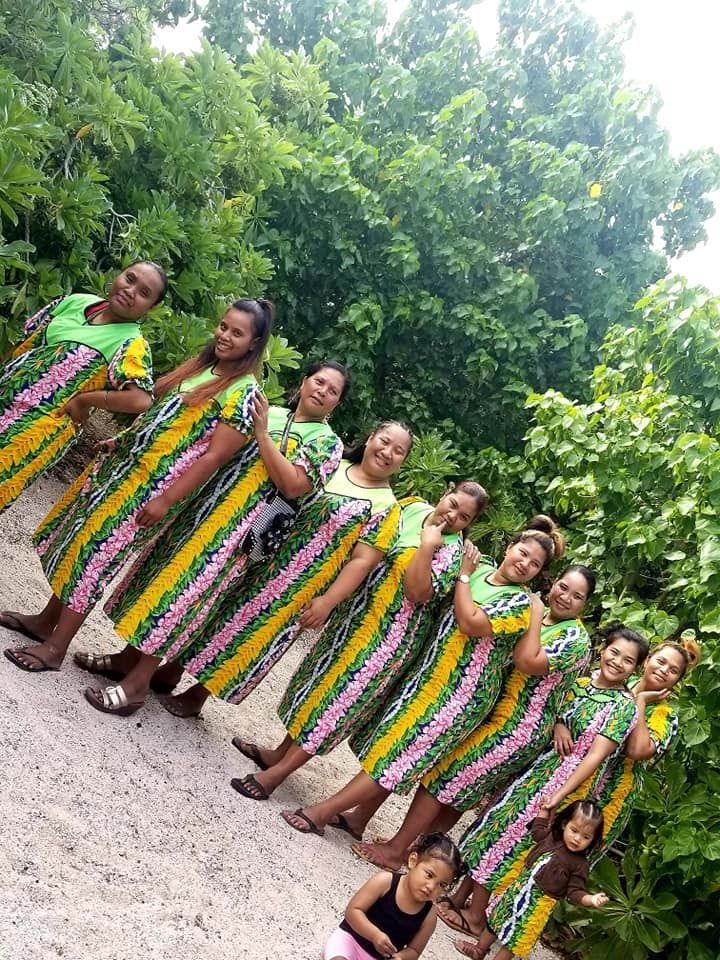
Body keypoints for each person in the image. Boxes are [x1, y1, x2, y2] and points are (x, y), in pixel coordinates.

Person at [2, 299, 272, 674]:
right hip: (127, 470)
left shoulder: (243, 393)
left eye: (237, 333)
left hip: (153, 487)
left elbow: (213, 457)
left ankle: (56, 647)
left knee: (98, 557)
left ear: (254, 343)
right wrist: (122, 441)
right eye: (224, 326)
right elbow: (160, 419)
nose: (224, 336)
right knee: (82, 543)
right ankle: (46, 621)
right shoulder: (204, 368)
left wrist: (166, 500)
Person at [78, 360, 349, 715]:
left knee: (182, 597)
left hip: (238, 532)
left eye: (332, 391)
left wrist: (262, 434)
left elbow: (293, 485)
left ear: (337, 403)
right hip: (206, 510)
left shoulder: (328, 443)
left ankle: (138, 684)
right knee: (163, 582)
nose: (322, 391)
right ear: (304, 381)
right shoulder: (272, 412)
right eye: (319, 381)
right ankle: (127, 659)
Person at [287, 516, 564, 848]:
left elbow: (470, 622)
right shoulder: (480, 570)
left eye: (535, 564)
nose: (525, 564)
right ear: (510, 547)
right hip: (429, 677)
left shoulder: (518, 602)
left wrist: (463, 575)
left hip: (461, 694)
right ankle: (357, 819)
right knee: (392, 747)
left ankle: (321, 813)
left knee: (400, 755)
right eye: (523, 553)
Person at [230, 482, 488, 818]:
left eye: (463, 517)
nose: (452, 516)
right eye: (452, 504)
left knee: (337, 705)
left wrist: (427, 546)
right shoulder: (412, 508)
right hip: (354, 620)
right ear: (445, 493)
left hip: (388, 639)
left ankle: (277, 774)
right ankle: (279, 753)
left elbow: (416, 592)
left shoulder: (452, 552)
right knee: (320, 689)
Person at [153, 421, 414, 718]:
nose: (387, 452)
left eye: (398, 451)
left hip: (299, 582)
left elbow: (362, 561)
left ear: (402, 462)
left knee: (251, 633)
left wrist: (328, 601)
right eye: (385, 441)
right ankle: (173, 669)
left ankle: (198, 694)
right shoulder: (332, 464)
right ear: (370, 438)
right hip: (262, 551)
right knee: (217, 611)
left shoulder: (387, 507)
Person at [353, 565, 595, 872]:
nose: (566, 597)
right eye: (564, 587)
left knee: (447, 778)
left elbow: (527, 662)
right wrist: (560, 719)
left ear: (585, 604)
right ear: (554, 583)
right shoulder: (540, 614)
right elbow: (564, 685)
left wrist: (535, 613)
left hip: (518, 727)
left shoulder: (574, 638)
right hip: (493, 712)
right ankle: (420, 852)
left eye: (577, 596)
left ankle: (397, 851)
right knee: (457, 784)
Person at [448, 622, 646, 939]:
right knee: (498, 825)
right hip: (541, 770)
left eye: (628, 660)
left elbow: (595, 756)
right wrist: (559, 724)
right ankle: (460, 897)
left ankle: (477, 916)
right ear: (603, 649)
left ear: (635, 669)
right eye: (615, 652)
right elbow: (553, 710)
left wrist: (559, 794)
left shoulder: (623, 707)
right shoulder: (581, 684)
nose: (618, 662)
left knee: (519, 842)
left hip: (570, 783)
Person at [0, 260, 166, 516]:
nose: (130, 291)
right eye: (130, 279)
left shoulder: (131, 344)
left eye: (144, 293)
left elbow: (140, 399)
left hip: (35, 429)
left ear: (151, 307)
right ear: (119, 275)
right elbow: (25, 340)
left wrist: (84, 400)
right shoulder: (76, 302)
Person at [583, 637, 700, 861]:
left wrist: (641, 702)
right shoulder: (617, 680)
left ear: (677, 680)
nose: (664, 670)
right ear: (647, 660)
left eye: (673, 671)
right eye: (661, 662)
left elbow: (637, 751)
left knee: (569, 862)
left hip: (609, 793)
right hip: (572, 769)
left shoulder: (665, 715)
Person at [453, 801, 608, 959]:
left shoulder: (580, 865)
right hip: (518, 889)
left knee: (517, 937)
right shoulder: (552, 837)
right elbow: (536, 833)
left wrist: (590, 899)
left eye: (586, 837)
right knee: (497, 918)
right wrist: (544, 812)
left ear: (593, 840)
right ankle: (480, 949)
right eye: (574, 830)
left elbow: (575, 891)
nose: (577, 839)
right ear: (564, 824)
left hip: (538, 906)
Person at [324, 832, 463, 960]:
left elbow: (414, 950)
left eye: (442, 885)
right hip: (350, 942)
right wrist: (374, 935)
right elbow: (352, 911)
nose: (431, 887)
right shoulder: (385, 882)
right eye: (429, 875)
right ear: (413, 861)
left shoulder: (429, 916)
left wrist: (401, 957)